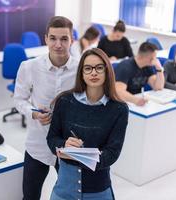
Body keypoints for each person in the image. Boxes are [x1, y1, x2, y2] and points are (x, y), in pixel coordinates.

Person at [47, 48, 129, 200]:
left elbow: (112, 153)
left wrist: (77, 156)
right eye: (88, 68)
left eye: (99, 67)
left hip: (98, 190)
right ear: (81, 73)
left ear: (107, 71)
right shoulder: (64, 101)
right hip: (64, 188)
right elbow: (52, 139)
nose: (93, 73)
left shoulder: (119, 109)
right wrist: (64, 144)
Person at [14, 16, 79, 200]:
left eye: (64, 39)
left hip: (68, 146)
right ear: (46, 39)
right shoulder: (29, 67)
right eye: (53, 38)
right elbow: (19, 100)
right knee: (30, 196)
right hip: (37, 144)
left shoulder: (81, 68)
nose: (58, 44)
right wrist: (32, 113)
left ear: (72, 40)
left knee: (70, 196)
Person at [115, 42, 165, 106]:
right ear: (148, 58)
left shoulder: (148, 66)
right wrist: (135, 100)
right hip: (121, 102)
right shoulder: (125, 67)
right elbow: (119, 91)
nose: (155, 59)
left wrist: (159, 68)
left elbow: (158, 87)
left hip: (134, 102)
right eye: (154, 57)